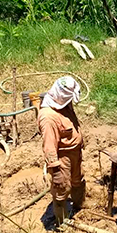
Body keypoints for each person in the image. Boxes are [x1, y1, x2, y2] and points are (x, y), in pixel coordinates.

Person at [38, 76, 85, 225]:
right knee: (61, 190)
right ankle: (62, 222)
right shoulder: (48, 117)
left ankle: (80, 209)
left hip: (74, 153)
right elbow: (49, 147)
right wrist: (55, 170)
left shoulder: (64, 105)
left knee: (78, 181)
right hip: (62, 157)